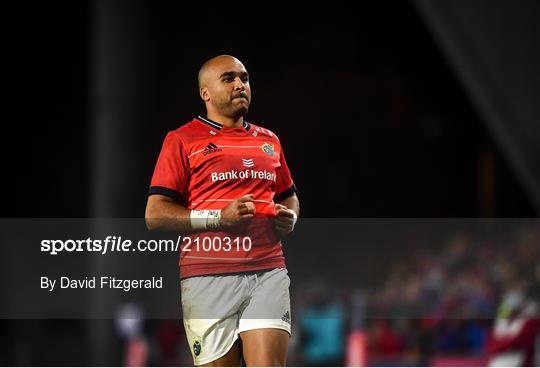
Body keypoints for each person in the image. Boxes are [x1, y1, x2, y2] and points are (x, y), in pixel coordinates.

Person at [145, 55, 300, 366]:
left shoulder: (269, 141)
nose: (240, 84)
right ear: (206, 93)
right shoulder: (182, 140)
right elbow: (155, 214)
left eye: (244, 78)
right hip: (207, 276)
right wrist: (218, 217)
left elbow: (289, 196)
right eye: (228, 78)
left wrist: (290, 216)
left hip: (267, 270)